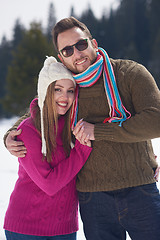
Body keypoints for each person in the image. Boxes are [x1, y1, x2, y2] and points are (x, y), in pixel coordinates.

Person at [4, 16, 160, 240]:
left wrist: (99, 131)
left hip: (139, 189)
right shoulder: (70, 85)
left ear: (93, 43)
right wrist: (10, 135)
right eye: (68, 50)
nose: (77, 54)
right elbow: (40, 112)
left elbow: (156, 119)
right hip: (93, 199)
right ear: (61, 58)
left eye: (80, 44)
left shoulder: (129, 73)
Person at [3, 56, 92, 240]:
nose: (64, 97)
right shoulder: (29, 130)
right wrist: (81, 151)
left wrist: (145, 159)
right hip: (26, 228)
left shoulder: (74, 126)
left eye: (70, 91)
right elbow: (49, 184)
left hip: (64, 228)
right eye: (57, 89)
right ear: (45, 90)